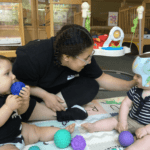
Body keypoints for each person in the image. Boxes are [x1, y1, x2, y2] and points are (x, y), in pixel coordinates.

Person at [12, 24, 136, 122]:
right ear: (67, 57)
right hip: (33, 90)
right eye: (86, 58)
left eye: (90, 56)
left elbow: (101, 77)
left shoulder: (81, 52)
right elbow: (16, 82)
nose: (89, 61)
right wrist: (45, 95)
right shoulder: (32, 56)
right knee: (16, 101)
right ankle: (57, 113)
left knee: (91, 85)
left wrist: (131, 84)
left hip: (58, 89)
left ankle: (41, 111)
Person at [0, 55, 75, 150]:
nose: (14, 76)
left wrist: (25, 100)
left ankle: (61, 132)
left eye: (12, 72)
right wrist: (8, 107)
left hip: (19, 131)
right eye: (7, 73)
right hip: (3, 142)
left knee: (37, 130)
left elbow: (20, 112)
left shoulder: (9, 93)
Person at [81, 52, 150, 150]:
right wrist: (122, 121)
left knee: (148, 141)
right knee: (114, 120)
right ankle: (93, 127)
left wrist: (146, 130)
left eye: (138, 76)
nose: (134, 78)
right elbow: (126, 104)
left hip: (148, 127)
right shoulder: (136, 89)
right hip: (132, 119)